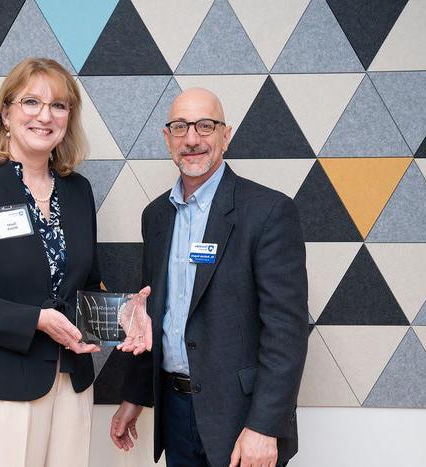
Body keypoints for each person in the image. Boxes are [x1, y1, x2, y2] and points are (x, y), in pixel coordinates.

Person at [0, 57, 140, 467]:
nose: (45, 115)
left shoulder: (78, 191)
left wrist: (124, 312)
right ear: (6, 112)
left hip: (72, 385)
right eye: (31, 102)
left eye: (59, 105)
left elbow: (84, 284)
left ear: (69, 118)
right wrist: (34, 320)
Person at [110, 88, 309, 467]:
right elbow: (151, 314)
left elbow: (287, 330)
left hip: (241, 420)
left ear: (225, 135)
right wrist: (135, 397)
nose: (192, 139)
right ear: (167, 138)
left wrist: (265, 427)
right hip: (175, 410)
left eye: (205, 126)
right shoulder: (156, 217)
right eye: (180, 127)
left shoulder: (268, 212)